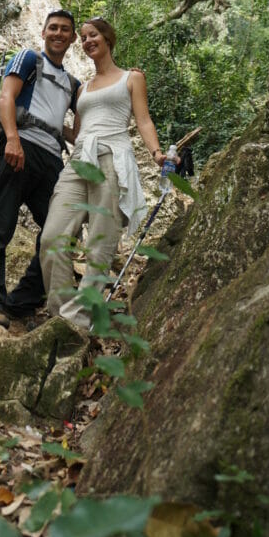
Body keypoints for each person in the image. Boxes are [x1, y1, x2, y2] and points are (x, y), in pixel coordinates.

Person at [39, 17, 170, 330]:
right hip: (79, 162)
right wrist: (39, 119)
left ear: (108, 38)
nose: (87, 41)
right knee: (51, 238)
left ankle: (79, 319)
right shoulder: (82, 88)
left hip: (112, 157)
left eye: (93, 35)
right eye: (83, 38)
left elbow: (143, 120)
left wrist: (156, 153)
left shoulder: (131, 77)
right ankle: (61, 317)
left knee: (100, 241)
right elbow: (77, 133)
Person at [0, 9, 80, 328]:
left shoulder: (72, 84)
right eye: (53, 28)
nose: (59, 33)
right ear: (44, 32)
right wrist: (11, 139)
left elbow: (74, 129)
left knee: (62, 230)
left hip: (52, 158)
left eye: (65, 30)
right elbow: (7, 96)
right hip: (20, 146)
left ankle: (22, 302)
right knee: (0, 223)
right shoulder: (28, 59)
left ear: (73, 38)